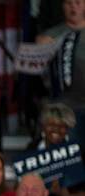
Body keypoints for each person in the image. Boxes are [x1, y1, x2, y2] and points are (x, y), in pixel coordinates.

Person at [29, 103, 85, 196]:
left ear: (68, 129)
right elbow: (19, 185)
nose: (56, 130)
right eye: (51, 125)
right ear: (43, 127)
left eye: (62, 126)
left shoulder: (78, 151)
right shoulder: (31, 149)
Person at [37, 0, 85, 142]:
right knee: (66, 153)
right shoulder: (51, 35)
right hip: (63, 105)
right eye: (69, 3)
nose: (73, 7)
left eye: (78, 2)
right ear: (63, 7)